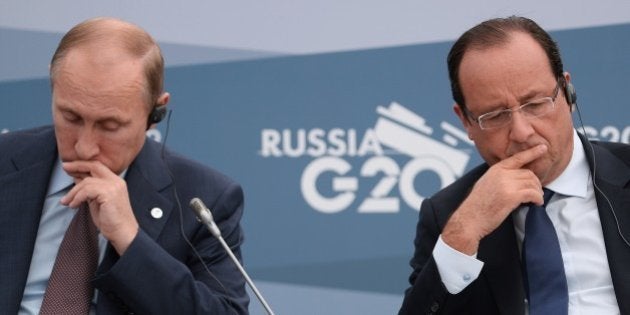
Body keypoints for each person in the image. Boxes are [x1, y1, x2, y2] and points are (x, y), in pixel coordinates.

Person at [0, 17, 249, 314]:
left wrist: (131, 240)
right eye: (71, 117)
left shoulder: (204, 199)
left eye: (109, 125)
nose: (85, 146)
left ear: (154, 112)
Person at [399, 16, 630, 314]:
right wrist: (463, 234)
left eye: (535, 104)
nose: (522, 132)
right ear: (466, 121)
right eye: (494, 115)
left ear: (568, 93)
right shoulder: (448, 214)